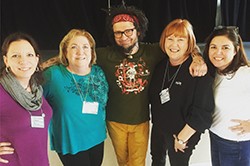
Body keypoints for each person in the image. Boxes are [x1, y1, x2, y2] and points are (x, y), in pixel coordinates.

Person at [96, 5, 208, 166]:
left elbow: (184, 43)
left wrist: (198, 57)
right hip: (115, 121)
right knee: (123, 161)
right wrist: (50, 63)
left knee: (138, 162)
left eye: (128, 31)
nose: (124, 36)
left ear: (138, 31)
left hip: (141, 121)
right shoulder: (104, 54)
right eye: (118, 33)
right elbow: (79, 52)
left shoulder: (153, 51)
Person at [149, 19, 215, 166]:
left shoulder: (198, 71)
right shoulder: (161, 65)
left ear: (189, 43)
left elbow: (202, 113)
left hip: (182, 133)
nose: (174, 44)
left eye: (180, 40)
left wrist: (181, 138)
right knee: (156, 160)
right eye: (170, 39)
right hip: (159, 127)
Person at [42, 29, 109, 166]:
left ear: (92, 51)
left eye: (85, 47)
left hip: (96, 137)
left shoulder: (98, 72)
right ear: (65, 52)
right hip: (72, 142)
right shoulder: (53, 75)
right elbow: (26, 101)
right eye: (74, 47)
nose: (80, 52)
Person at [0, 32, 52, 165]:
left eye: (29, 55)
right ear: (6, 60)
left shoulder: (37, 89)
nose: (23, 61)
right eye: (15, 56)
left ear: (36, 59)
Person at [203, 26, 250, 166]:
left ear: (235, 50)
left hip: (237, 145)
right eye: (213, 47)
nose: (218, 52)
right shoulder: (214, 72)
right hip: (216, 136)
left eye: (225, 48)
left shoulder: (245, 74)